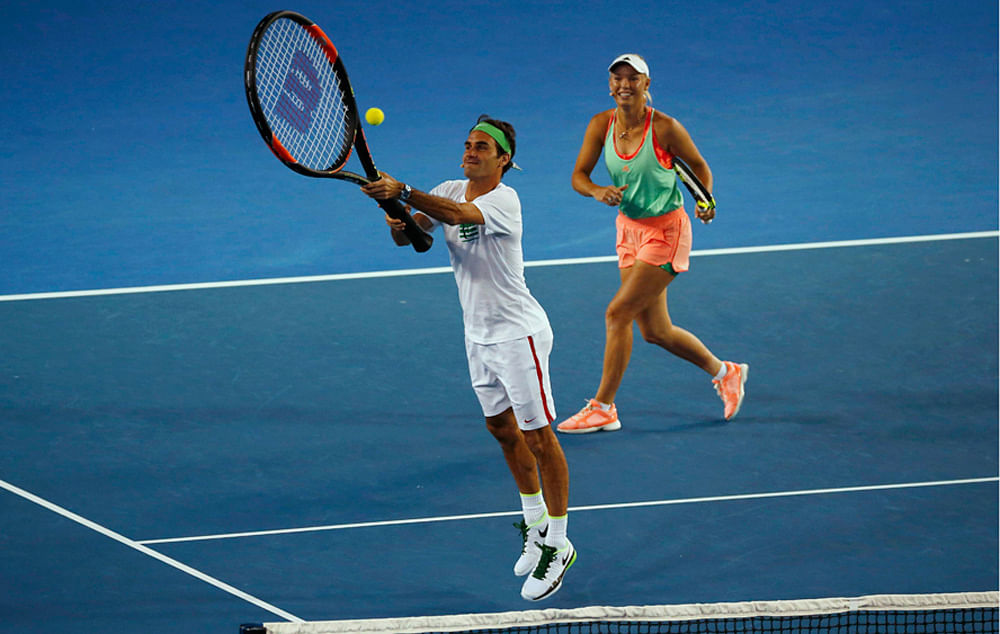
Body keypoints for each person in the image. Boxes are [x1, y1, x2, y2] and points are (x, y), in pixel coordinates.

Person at [361, 115, 575, 601]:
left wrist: (404, 189)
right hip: (477, 335)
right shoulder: (449, 188)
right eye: (468, 143)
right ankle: (535, 521)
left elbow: (458, 217)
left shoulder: (505, 200)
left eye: (483, 146)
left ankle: (559, 546)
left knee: (539, 438)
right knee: (501, 431)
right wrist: (394, 214)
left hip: (519, 336)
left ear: (504, 160)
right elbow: (417, 239)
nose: (471, 150)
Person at [557, 54, 748, 434]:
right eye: (617, 78)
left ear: (647, 84)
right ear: (610, 85)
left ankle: (603, 407)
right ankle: (726, 372)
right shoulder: (600, 124)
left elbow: (699, 167)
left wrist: (704, 199)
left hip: (666, 232)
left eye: (633, 78)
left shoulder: (665, 128)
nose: (624, 85)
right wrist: (597, 191)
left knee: (617, 313)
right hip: (629, 231)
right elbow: (579, 175)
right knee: (655, 331)